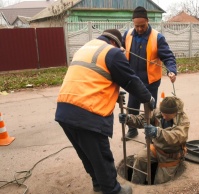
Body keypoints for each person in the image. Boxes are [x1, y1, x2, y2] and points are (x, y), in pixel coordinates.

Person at [55, 29, 155, 194]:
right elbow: (130, 80)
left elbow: (91, 78)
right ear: (116, 42)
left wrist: (113, 92)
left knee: (87, 155)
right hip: (88, 112)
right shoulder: (112, 52)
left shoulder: (85, 48)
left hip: (64, 110)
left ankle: (98, 184)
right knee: (102, 156)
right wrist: (148, 98)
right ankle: (113, 190)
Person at [122, 6, 177, 140]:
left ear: (148, 21)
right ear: (133, 23)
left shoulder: (157, 37)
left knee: (150, 110)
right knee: (132, 108)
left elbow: (168, 56)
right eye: (137, 26)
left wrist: (171, 70)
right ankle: (132, 130)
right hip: (134, 81)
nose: (140, 28)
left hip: (150, 81)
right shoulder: (128, 35)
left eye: (142, 25)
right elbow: (119, 49)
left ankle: (150, 133)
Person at [119, 96, 190, 184]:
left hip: (170, 156)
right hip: (156, 149)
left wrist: (157, 132)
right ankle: (136, 185)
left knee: (160, 182)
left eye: (166, 115)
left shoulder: (183, 120)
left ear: (174, 113)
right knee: (140, 158)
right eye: (162, 113)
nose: (163, 117)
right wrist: (129, 118)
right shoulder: (159, 112)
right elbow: (143, 119)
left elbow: (177, 136)